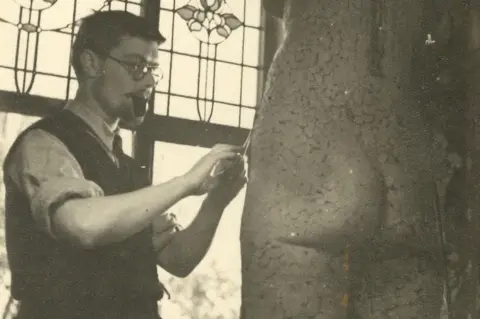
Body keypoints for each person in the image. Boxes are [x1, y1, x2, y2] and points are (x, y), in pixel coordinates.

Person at [2, 10, 247, 319]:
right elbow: (81, 226)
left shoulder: (127, 167)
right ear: (91, 63)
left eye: (153, 69)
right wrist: (186, 183)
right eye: (136, 66)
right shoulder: (43, 143)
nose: (148, 82)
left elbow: (178, 259)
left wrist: (217, 199)